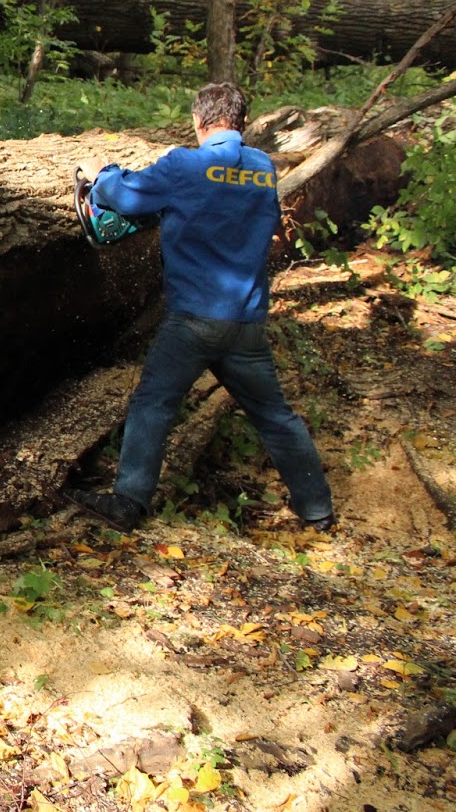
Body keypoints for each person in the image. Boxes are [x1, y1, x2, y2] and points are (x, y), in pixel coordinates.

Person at [68, 82, 336, 534]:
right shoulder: (260, 167)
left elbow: (125, 196)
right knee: (276, 417)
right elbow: (266, 223)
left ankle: (128, 502)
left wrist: (102, 172)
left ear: (198, 121)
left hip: (193, 320)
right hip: (246, 321)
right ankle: (317, 511)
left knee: (154, 403)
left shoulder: (186, 164)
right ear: (242, 123)